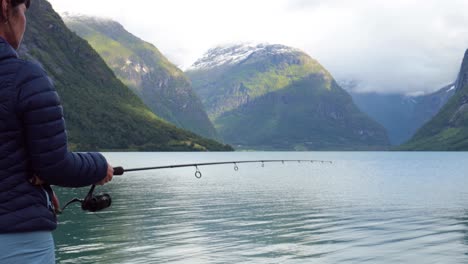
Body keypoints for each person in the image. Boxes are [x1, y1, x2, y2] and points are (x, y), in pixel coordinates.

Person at [0, 0, 114, 263]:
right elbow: (55, 165)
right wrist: (99, 166)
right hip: (18, 243)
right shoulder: (25, 78)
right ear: (6, 8)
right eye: (24, 11)